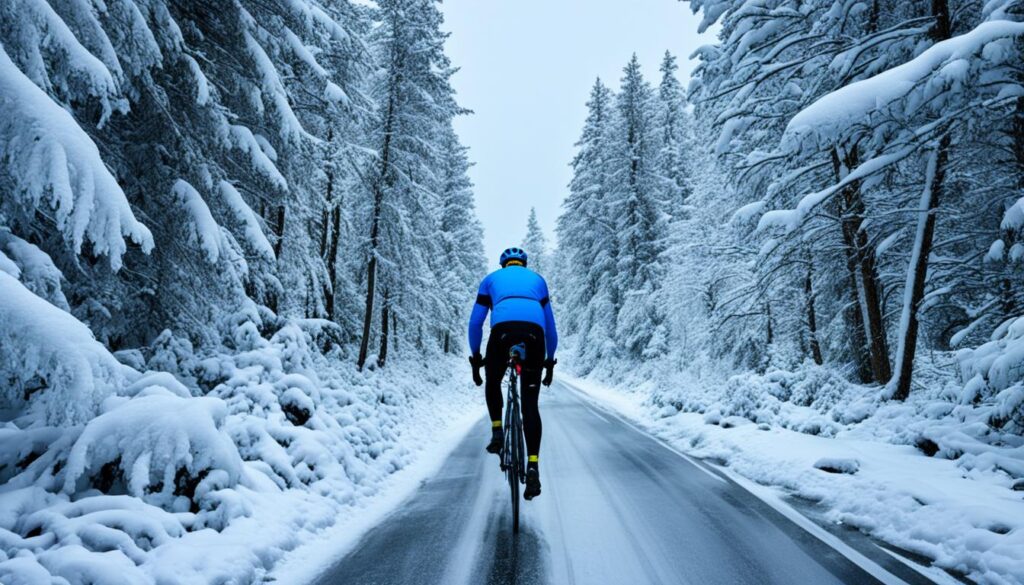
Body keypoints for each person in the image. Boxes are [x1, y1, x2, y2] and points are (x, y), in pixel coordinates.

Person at [468, 247, 557, 500]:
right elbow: (550, 326)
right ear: (524, 265)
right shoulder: (538, 281)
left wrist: (476, 358)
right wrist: (549, 361)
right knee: (530, 404)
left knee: (493, 380)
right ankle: (533, 466)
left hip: (502, 333)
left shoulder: (491, 280)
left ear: (503, 264)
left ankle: (497, 431)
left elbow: (475, 323)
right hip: (534, 335)